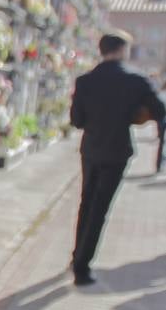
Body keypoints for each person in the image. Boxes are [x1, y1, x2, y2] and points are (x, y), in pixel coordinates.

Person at [68, 30, 166, 286]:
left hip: (90, 148)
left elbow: (77, 121)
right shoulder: (136, 81)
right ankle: (82, 267)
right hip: (117, 150)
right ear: (123, 50)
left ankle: (77, 255)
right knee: (99, 208)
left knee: (86, 203)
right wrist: (135, 114)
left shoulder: (85, 81)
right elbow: (159, 110)